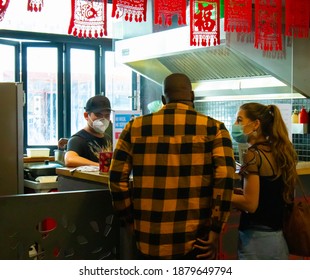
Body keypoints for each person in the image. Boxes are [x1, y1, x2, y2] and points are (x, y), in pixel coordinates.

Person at [109, 73, 235, 260]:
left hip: (148, 237)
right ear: (192, 96)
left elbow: (116, 179)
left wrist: (128, 221)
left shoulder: (134, 128)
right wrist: (216, 228)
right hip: (196, 239)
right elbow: (225, 179)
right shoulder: (214, 129)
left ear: (162, 99)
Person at [231, 102, 298, 260]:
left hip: (256, 242)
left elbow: (250, 204)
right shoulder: (278, 151)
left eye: (239, 120)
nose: (235, 125)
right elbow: (269, 192)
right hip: (278, 240)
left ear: (255, 124)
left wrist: (220, 194)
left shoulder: (252, 155)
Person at [64, 95, 113, 167]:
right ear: (86, 115)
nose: (103, 119)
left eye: (107, 115)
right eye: (98, 115)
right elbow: (70, 160)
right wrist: (100, 166)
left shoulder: (109, 139)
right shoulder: (78, 139)